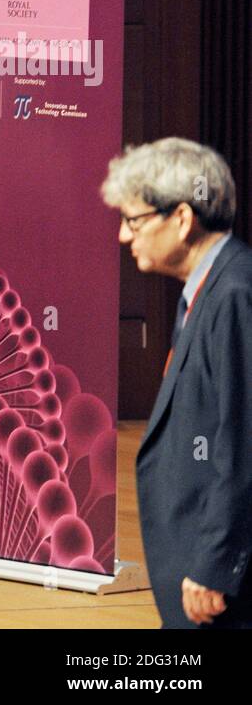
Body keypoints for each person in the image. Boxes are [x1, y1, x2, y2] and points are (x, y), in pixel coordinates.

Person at [101, 137, 252, 627]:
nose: (125, 237)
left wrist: (215, 564)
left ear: (182, 218)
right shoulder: (205, 290)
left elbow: (244, 443)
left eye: (134, 221)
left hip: (221, 587)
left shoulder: (235, 295)